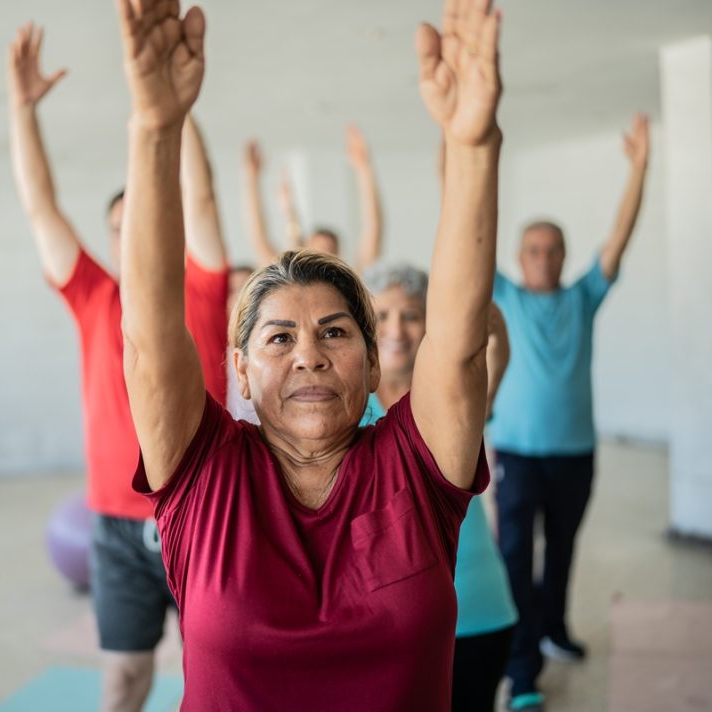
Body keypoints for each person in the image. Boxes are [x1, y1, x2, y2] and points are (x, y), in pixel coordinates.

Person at [114, 0, 502, 707]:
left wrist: (472, 145)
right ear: (239, 369)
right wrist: (155, 128)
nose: (309, 356)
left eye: (335, 332)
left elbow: (459, 344)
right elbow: (147, 337)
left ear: (375, 360)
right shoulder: (205, 474)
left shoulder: (415, 468)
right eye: (279, 338)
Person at [5, 23, 229, 712]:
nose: (138, 233)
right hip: (112, 524)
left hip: (199, 513)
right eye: (123, 224)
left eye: (148, 217)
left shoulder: (205, 285)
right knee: (123, 681)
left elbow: (200, 197)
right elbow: (41, 207)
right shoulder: (95, 295)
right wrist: (22, 109)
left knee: (218, 675)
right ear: (110, 238)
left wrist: (172, 106)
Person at [491, 113, 650, 711]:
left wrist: (639, 167)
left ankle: (554, 628)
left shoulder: (584, 296)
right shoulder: (503, 296)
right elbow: (470, 233)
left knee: (561, 551)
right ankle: (522, 663)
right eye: (534, 249)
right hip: (516, 453)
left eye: (553, 249)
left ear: (563, 255)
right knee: (513, 557)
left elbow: (618, 238)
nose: (544, 257)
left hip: (575, 453)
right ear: (520, 256)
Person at [365, 263, 518, 712]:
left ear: (431, 323)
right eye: (382, 316)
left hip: (476, 612)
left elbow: (489, 367)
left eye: (411, 315)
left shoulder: (452, 402)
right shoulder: (343, 409)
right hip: (385, 625)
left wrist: (493, 333)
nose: (396, 329)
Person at [242, 125, 383, 270]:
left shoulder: (351, 285)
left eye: (330, 249)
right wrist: (252, 177)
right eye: (318, 249)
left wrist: (364, 168)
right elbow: (259, 239)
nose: (324, 255)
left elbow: (373, 230)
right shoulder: (287, 279)